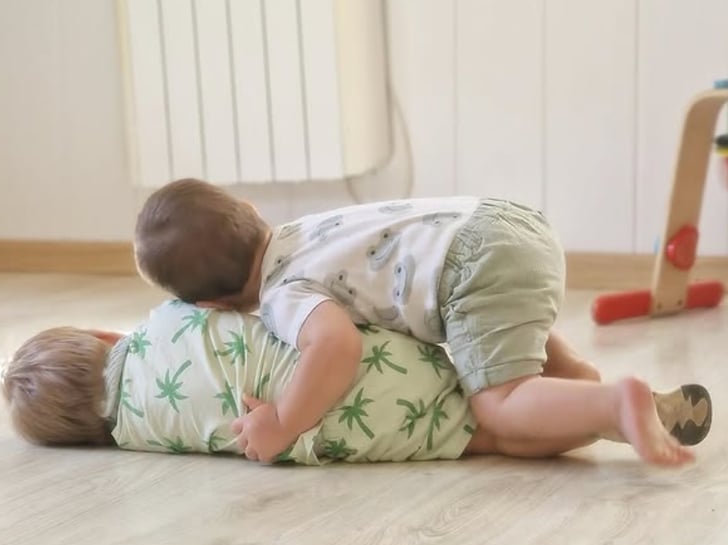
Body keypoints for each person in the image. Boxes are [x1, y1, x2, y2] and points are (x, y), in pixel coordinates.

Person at [133, 178, 706, 466]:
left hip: (471, 267)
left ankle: (615, 404)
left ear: (215, 308)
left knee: (499, 402)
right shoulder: (308, 230)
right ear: (252, 212)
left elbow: (334, 347)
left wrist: (284, 421)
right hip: (503, 221)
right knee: (495, 341)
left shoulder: (284, 291)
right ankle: (584, 390)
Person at [0, 300, 712, 464]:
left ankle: (601, 411)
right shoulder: (164, 319)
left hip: (342, 429)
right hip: (343, 362)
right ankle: (595, 392)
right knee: (471, 373)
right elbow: (247, 311)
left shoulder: (135, 436)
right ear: (102, 337)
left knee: (486, 432)